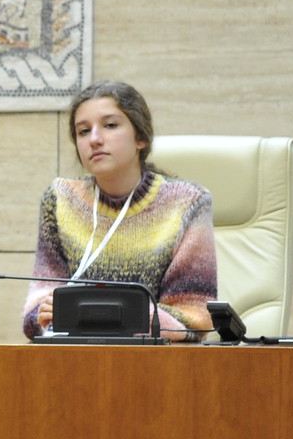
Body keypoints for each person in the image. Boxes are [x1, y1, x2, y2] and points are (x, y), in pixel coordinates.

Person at [24, 80, 217, 340]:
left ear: (141, 137)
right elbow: (37, 309)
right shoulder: (60, 199)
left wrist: (104, 313)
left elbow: (194, 318)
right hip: (74, 359)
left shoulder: (187, 202)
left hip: (157, 363)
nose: (94, 139)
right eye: (83, 131)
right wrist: (42, 315)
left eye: (110, 125)